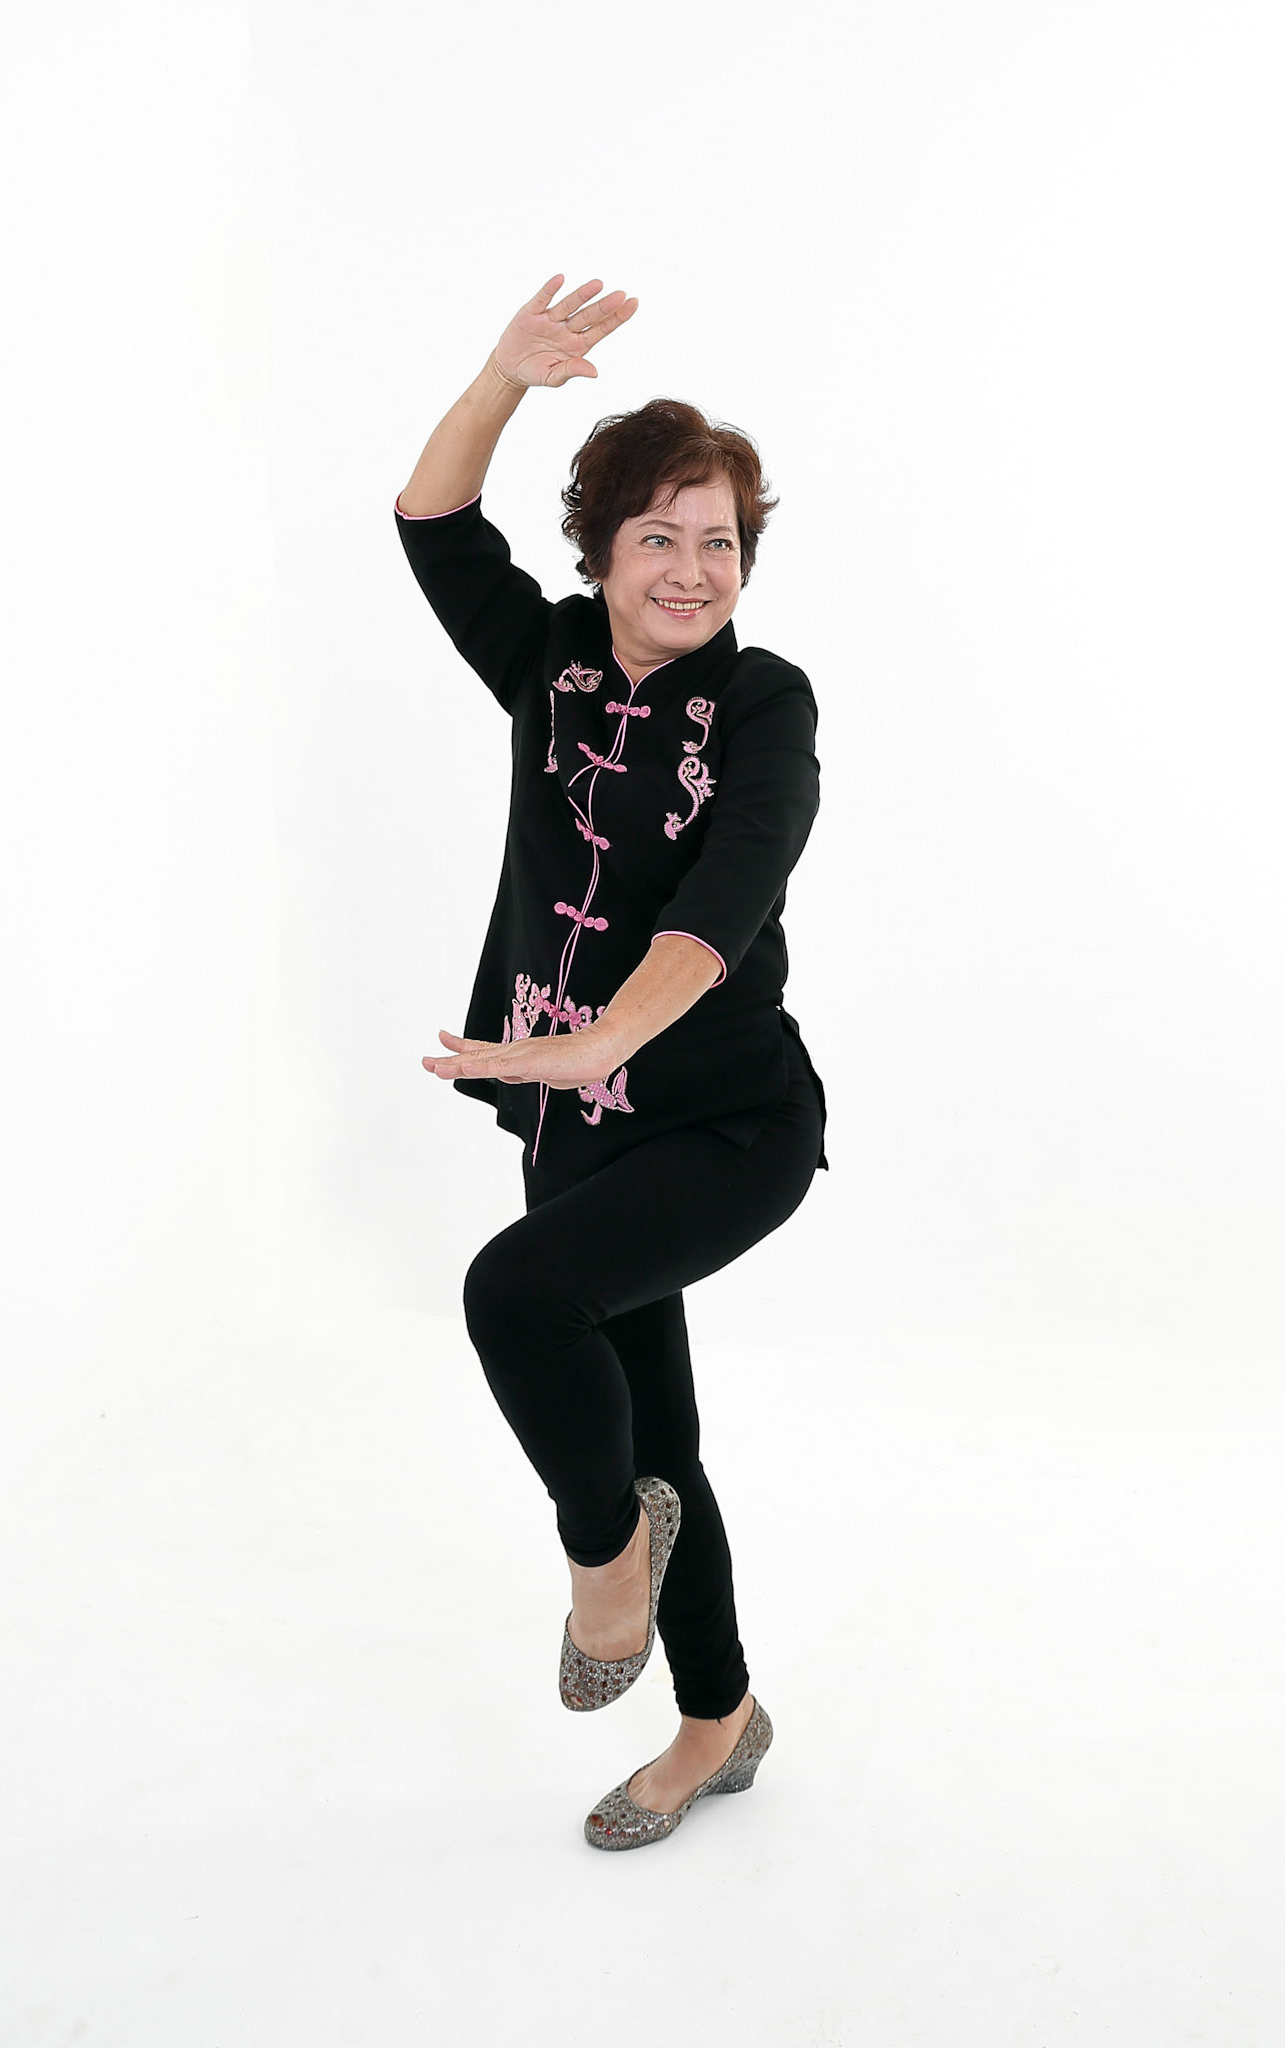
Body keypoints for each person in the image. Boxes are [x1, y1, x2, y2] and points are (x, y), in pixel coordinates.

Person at [394, 272, 829, 1851]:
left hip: (725, 1122)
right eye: (660, 534)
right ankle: (717, 1721)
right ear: (600, 557)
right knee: (667, 1441)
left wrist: (596, 1037)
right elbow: (435, 525)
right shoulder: (555, 664)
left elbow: (727, 902)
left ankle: (601, 1569)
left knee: (516, 1295)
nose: (693, 568)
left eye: (720, 541)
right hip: (576, 1127)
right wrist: (502, 376)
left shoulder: (765, 702)